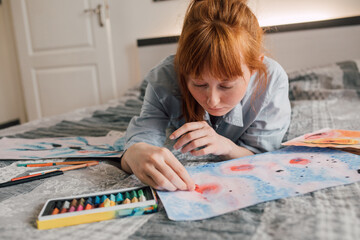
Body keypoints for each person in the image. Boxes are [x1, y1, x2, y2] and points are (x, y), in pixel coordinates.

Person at [120, 0, 291, 192]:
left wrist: (226, 147)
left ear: (254, 68)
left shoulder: (271, 80)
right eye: (199, 84)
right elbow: (143, 136)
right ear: (182, 69)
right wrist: (134, 153)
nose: (212, 100)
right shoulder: (165, 77)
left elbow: (263, 154)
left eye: (226, 86)